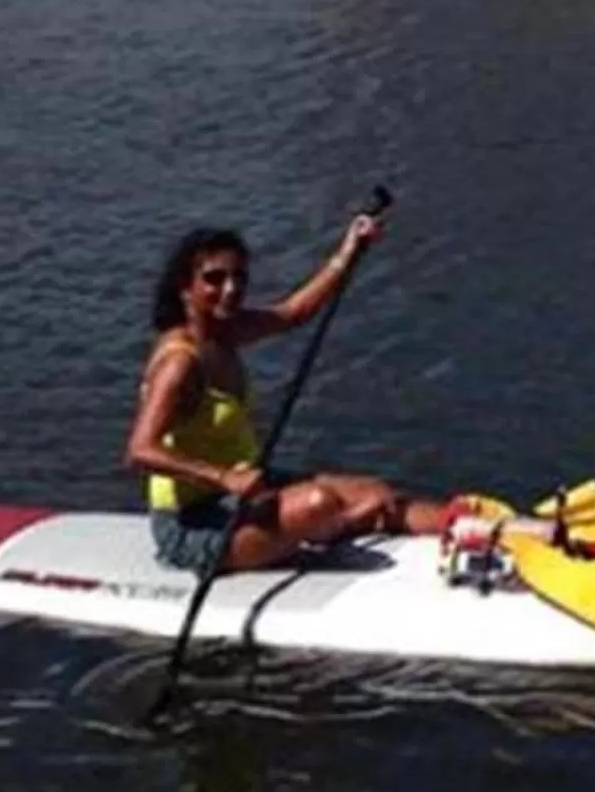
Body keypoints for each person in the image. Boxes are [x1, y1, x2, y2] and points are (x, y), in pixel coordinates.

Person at [124, 210, 456, 576]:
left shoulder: (228, 331)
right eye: (214, 279)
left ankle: (482, 528)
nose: (231, 288)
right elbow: (140, 451)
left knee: (380, 496)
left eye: (239, 277)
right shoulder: (179, 363)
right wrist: (224, 478)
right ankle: (330, 523)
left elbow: (295, 312)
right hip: (192, 523)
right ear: (185, 288)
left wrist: (351, 250)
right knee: (318, 503)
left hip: (245, 493)